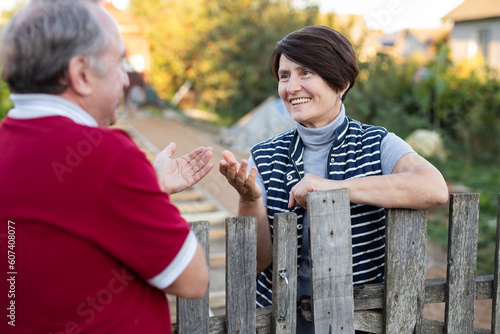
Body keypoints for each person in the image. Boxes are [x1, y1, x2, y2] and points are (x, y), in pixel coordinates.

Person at [0, 1, 212, 333]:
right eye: (118, 63)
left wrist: (149, 185)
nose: (126, 81)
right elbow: (193, 279)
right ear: (81, 74)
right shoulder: (105, 154)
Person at [219, 25, 449, 332]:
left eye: (305, 73)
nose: (291, 87)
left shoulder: (376, 143)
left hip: (358, 320)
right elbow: (258, 262)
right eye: (284, 76)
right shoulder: (266, 154)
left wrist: (332, 188)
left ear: (341, 82)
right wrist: (250, 199)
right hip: (280, 319)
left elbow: (433, 188)